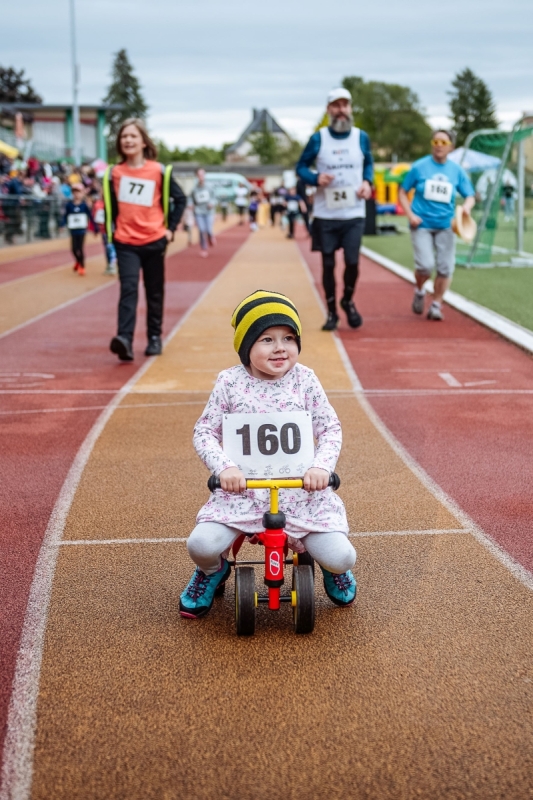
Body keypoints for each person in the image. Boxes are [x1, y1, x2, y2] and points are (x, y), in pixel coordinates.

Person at [179, 290, 357, 618]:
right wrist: (224, 468)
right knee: (200, 545)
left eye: (288, 338)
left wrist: (321, 467)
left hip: (301, 493)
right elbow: (204, 432)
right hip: (242, 493)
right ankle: (211, 572)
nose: (280, 347)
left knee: (343, 556)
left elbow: (330, 429)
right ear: (246, 347)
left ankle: (332, 569)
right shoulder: (229, 382)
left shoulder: (305, 379)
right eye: (266, 339)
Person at [103, 118, 186, 361]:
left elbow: (180, 199)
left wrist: (170, 228)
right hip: (125, 242)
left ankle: (154, 337)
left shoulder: (159, 171)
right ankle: (125, 339)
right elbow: (112, 207)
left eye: (133, 136)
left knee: (154, 291)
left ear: (143, 142)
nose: (128, 140)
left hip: (154, 241)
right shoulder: (113, 173)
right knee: (128, 289)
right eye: (124, 137)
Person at [297, 87, 373, 331]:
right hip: (325, 214)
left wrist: (367, 182)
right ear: (329, 110)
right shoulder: (319, 138)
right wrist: (315, 178)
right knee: (328, 264)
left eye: (345, 105)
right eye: (336, 106)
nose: (341, 110)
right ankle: (331, 312)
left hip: (353, 213)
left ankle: (347, 301)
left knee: (352, 262)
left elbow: (368, 163)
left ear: (350, 108)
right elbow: (300, 167)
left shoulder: (361, 137)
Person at [399, 129, 475, 321]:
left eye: (443, 143)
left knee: (445, 268)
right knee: (425, 266)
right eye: (435, 142)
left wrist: (465, 208)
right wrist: (410, 215)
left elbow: (470, 196)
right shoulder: (419, 167)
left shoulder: (456, 171)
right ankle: (419, 289)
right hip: (421, 224)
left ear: (451, 147)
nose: (439, 146)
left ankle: (436, 305)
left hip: (446, 225)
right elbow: (402, 191)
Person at [62, 183, 94, 276]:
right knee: (73, 249)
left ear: (82, 193)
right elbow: (65, 216)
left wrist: (94, 227)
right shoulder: (69, 205)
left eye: (78, 192)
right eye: (74, 192)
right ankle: (78, 261)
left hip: (82, 230)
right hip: (73, 230)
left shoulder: (84, 205)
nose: (76, 194)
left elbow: (90, 216)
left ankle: (82, 266)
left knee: (80, 248)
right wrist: (62, 224)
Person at [191, 168, 216, 258]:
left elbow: (214, 197)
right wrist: (190, 205)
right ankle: (203, 248)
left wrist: (212, 203)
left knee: (209, 229)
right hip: (198, 212)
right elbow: (191, 199)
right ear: (196, 176)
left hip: (209, 212)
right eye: (199, 175)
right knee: (201, 230)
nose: (201, 177)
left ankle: (210, 237)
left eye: (202, 174)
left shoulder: (210, 187)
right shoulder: (194, 189)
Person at [92, 192, 118, 275]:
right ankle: (109, 264)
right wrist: (96, 229)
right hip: (104, 230)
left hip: (114, 229)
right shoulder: (98, 204)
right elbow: (95, 217)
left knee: (113, 247)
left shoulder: (114, 203)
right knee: (107, 247)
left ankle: (113, 264)